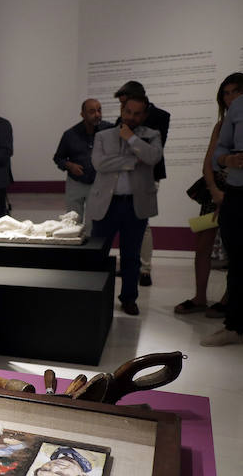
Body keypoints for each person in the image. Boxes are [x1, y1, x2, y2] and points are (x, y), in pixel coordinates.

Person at [175, 73, 243, 317]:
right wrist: (215, 191)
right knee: (203, 245)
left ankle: (229, 299)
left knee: (235, 248)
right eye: (226, 93)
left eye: (235, 91)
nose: (230, 98)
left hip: (239, 193)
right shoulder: (221, 125)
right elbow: (208, 163)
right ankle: (200, 297)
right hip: (216, 192)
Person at [87, 94, 163, 316]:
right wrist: (133, 160)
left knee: (131, 256)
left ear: (144, 115)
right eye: (128, 112)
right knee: (98, 254)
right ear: (122, 110)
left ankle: (129, 298)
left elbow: (152, 157)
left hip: (135, 205)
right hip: (106, 204)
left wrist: (131, 139)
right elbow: (100, 163)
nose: (131, 117)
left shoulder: (152, 135)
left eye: (137, 113)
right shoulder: (103, 135)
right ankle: (94, 295)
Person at [202, 76, 243, 347]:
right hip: (239, 193)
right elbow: (218, 153)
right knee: (239, 263)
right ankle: (234, 326)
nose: (231, 97)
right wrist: (229, 159)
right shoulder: (238, 109)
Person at [114, 81, 171, 286]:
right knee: (126, 221)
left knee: (143, 222)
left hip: (148, 175)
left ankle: (145, 269)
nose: (125, 112)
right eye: (122, 107)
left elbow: (153, 152)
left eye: (125, 104)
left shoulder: (161, 116)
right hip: (125, 176)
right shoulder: (121, 119)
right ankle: (132, 265)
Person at [52, 98, 114, 226]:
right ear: (83, 114)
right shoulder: (70, 134)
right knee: (72, 223)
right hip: (75, 183)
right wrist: (69, 165)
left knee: (95, 224)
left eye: (99, 110)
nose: (97, 114)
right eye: (92, 111)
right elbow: (58, 158)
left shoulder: (109, 130)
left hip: (98, 184)